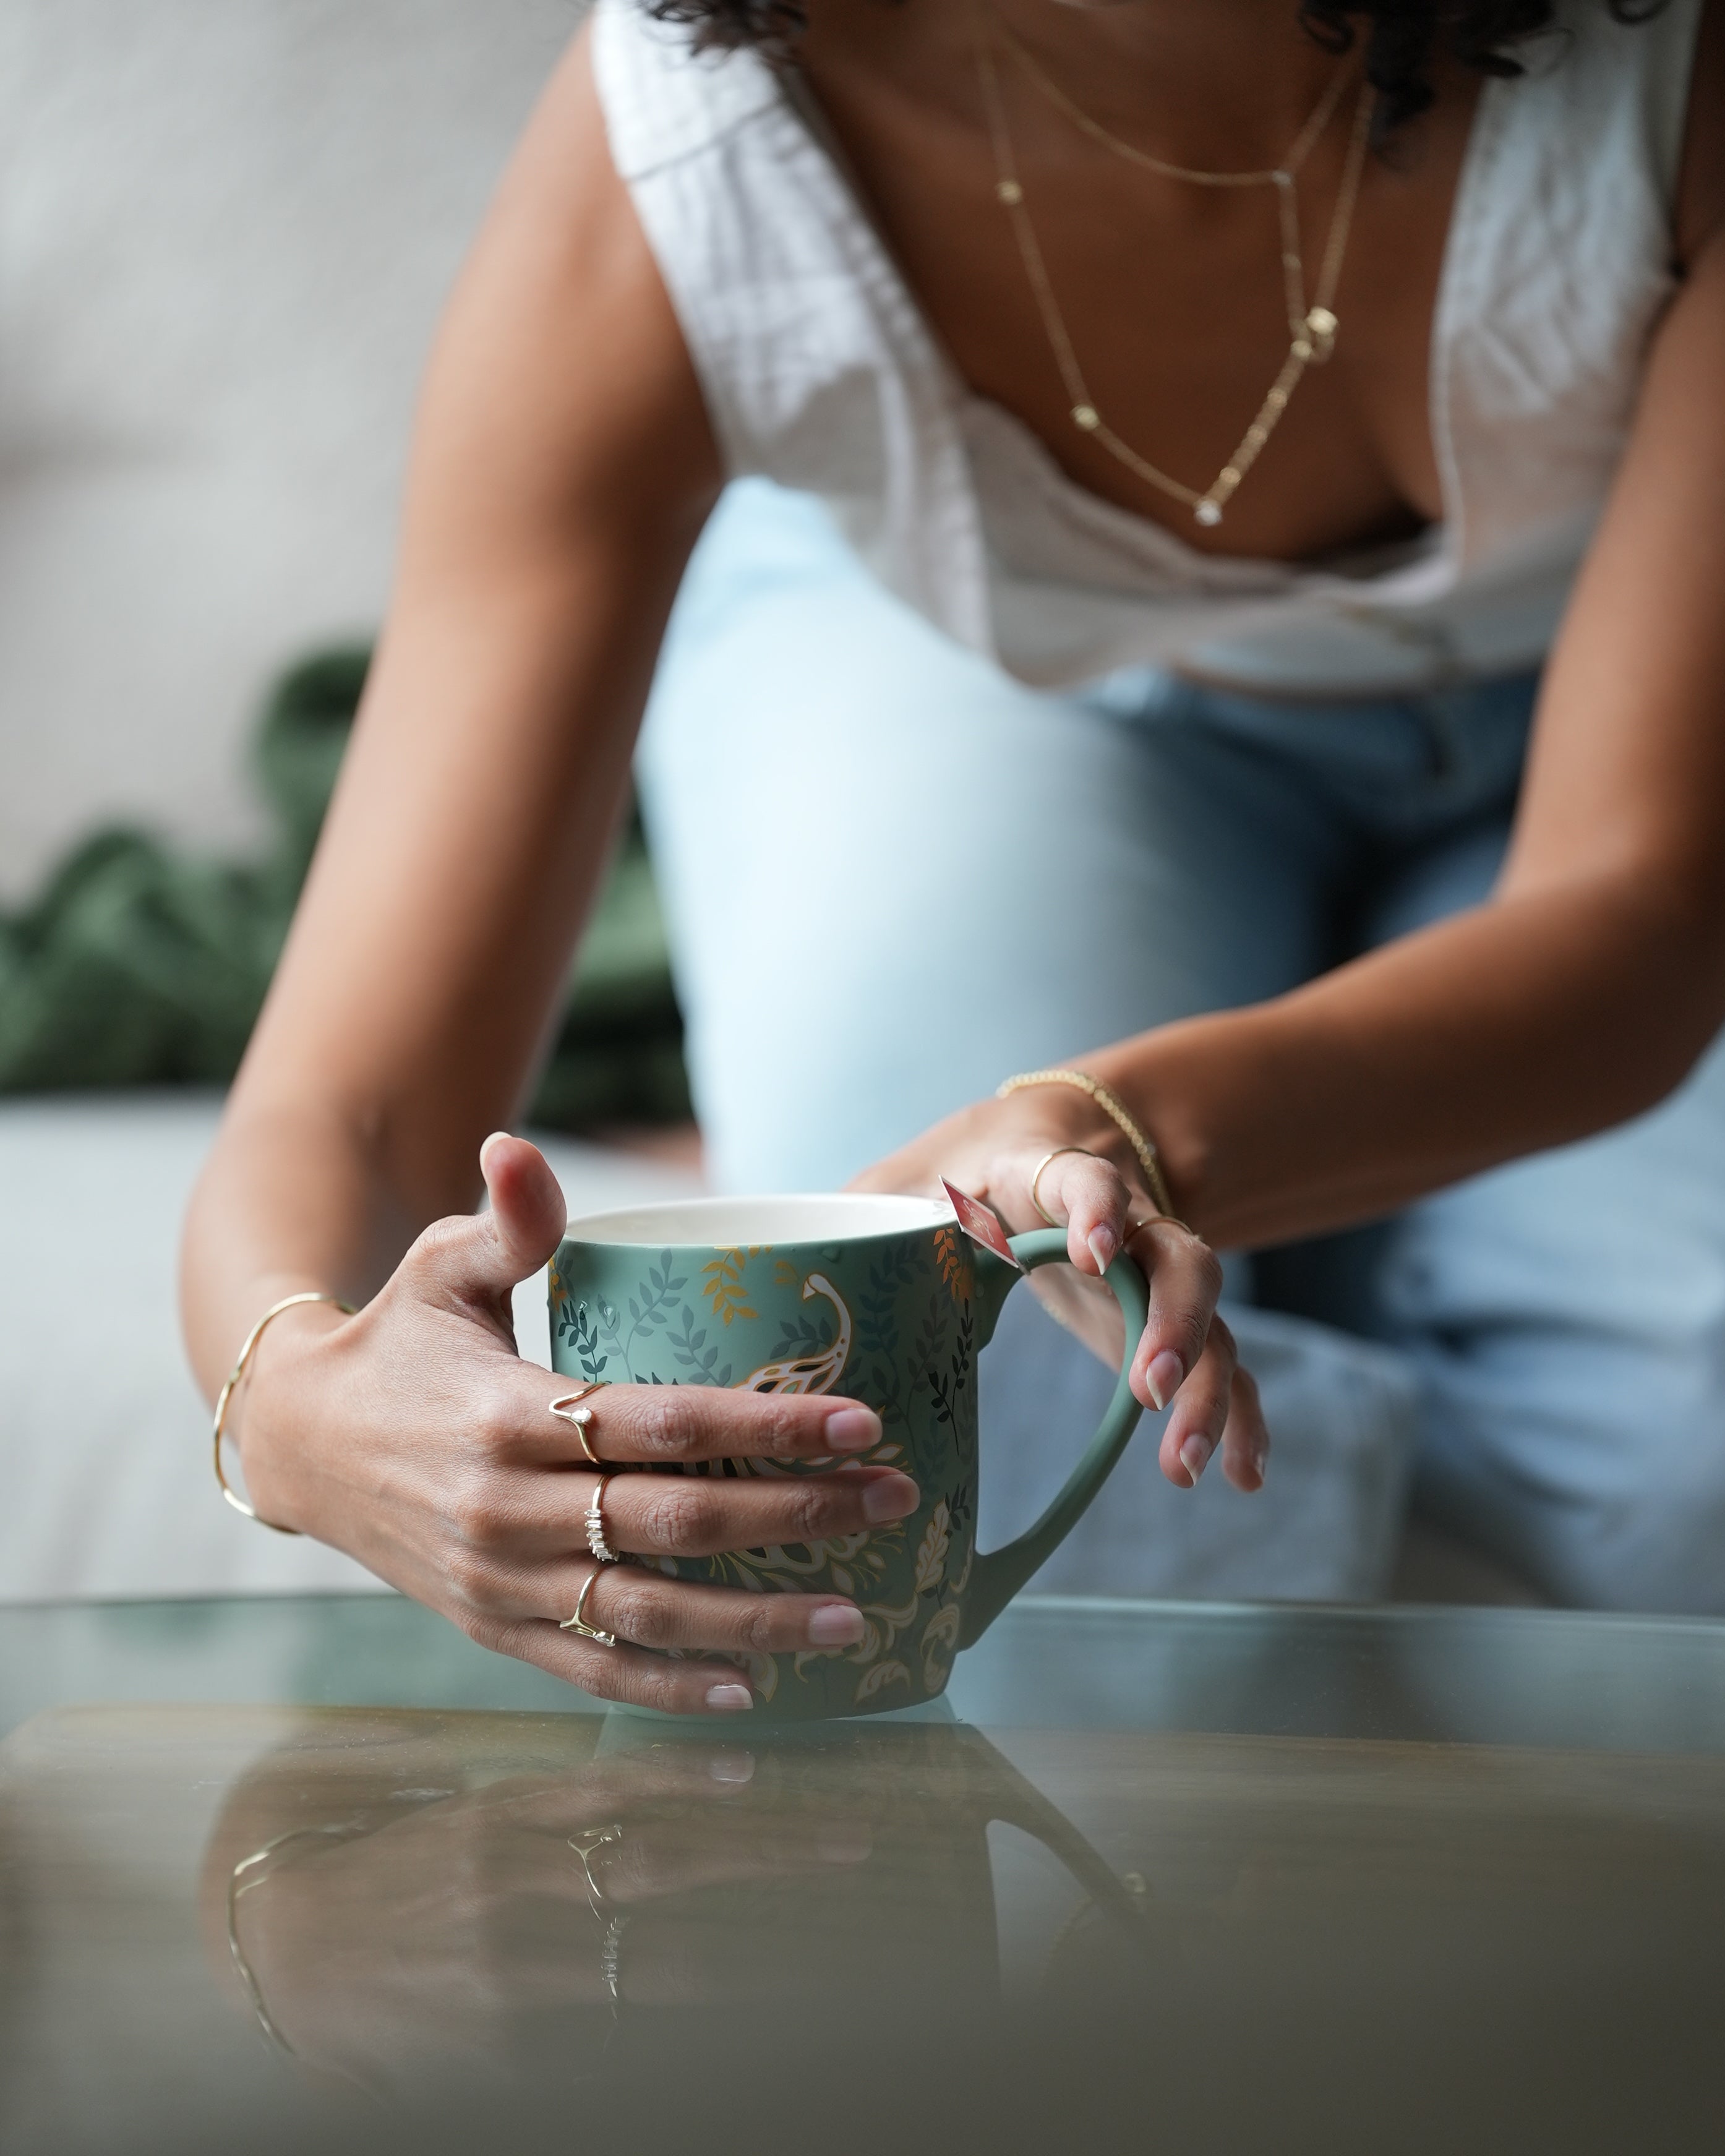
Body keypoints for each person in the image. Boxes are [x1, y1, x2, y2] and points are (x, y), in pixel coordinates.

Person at [182, 0, 1725, 1712]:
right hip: (977, 670)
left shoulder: (1675, 70)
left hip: (1625, 730)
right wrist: (299, 1405)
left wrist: (1122, 1127)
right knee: (956, 1401)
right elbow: (351, 1110)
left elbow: (1643, 916)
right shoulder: (684, 152)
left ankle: (1285, 1221)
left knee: (1683, 1487)